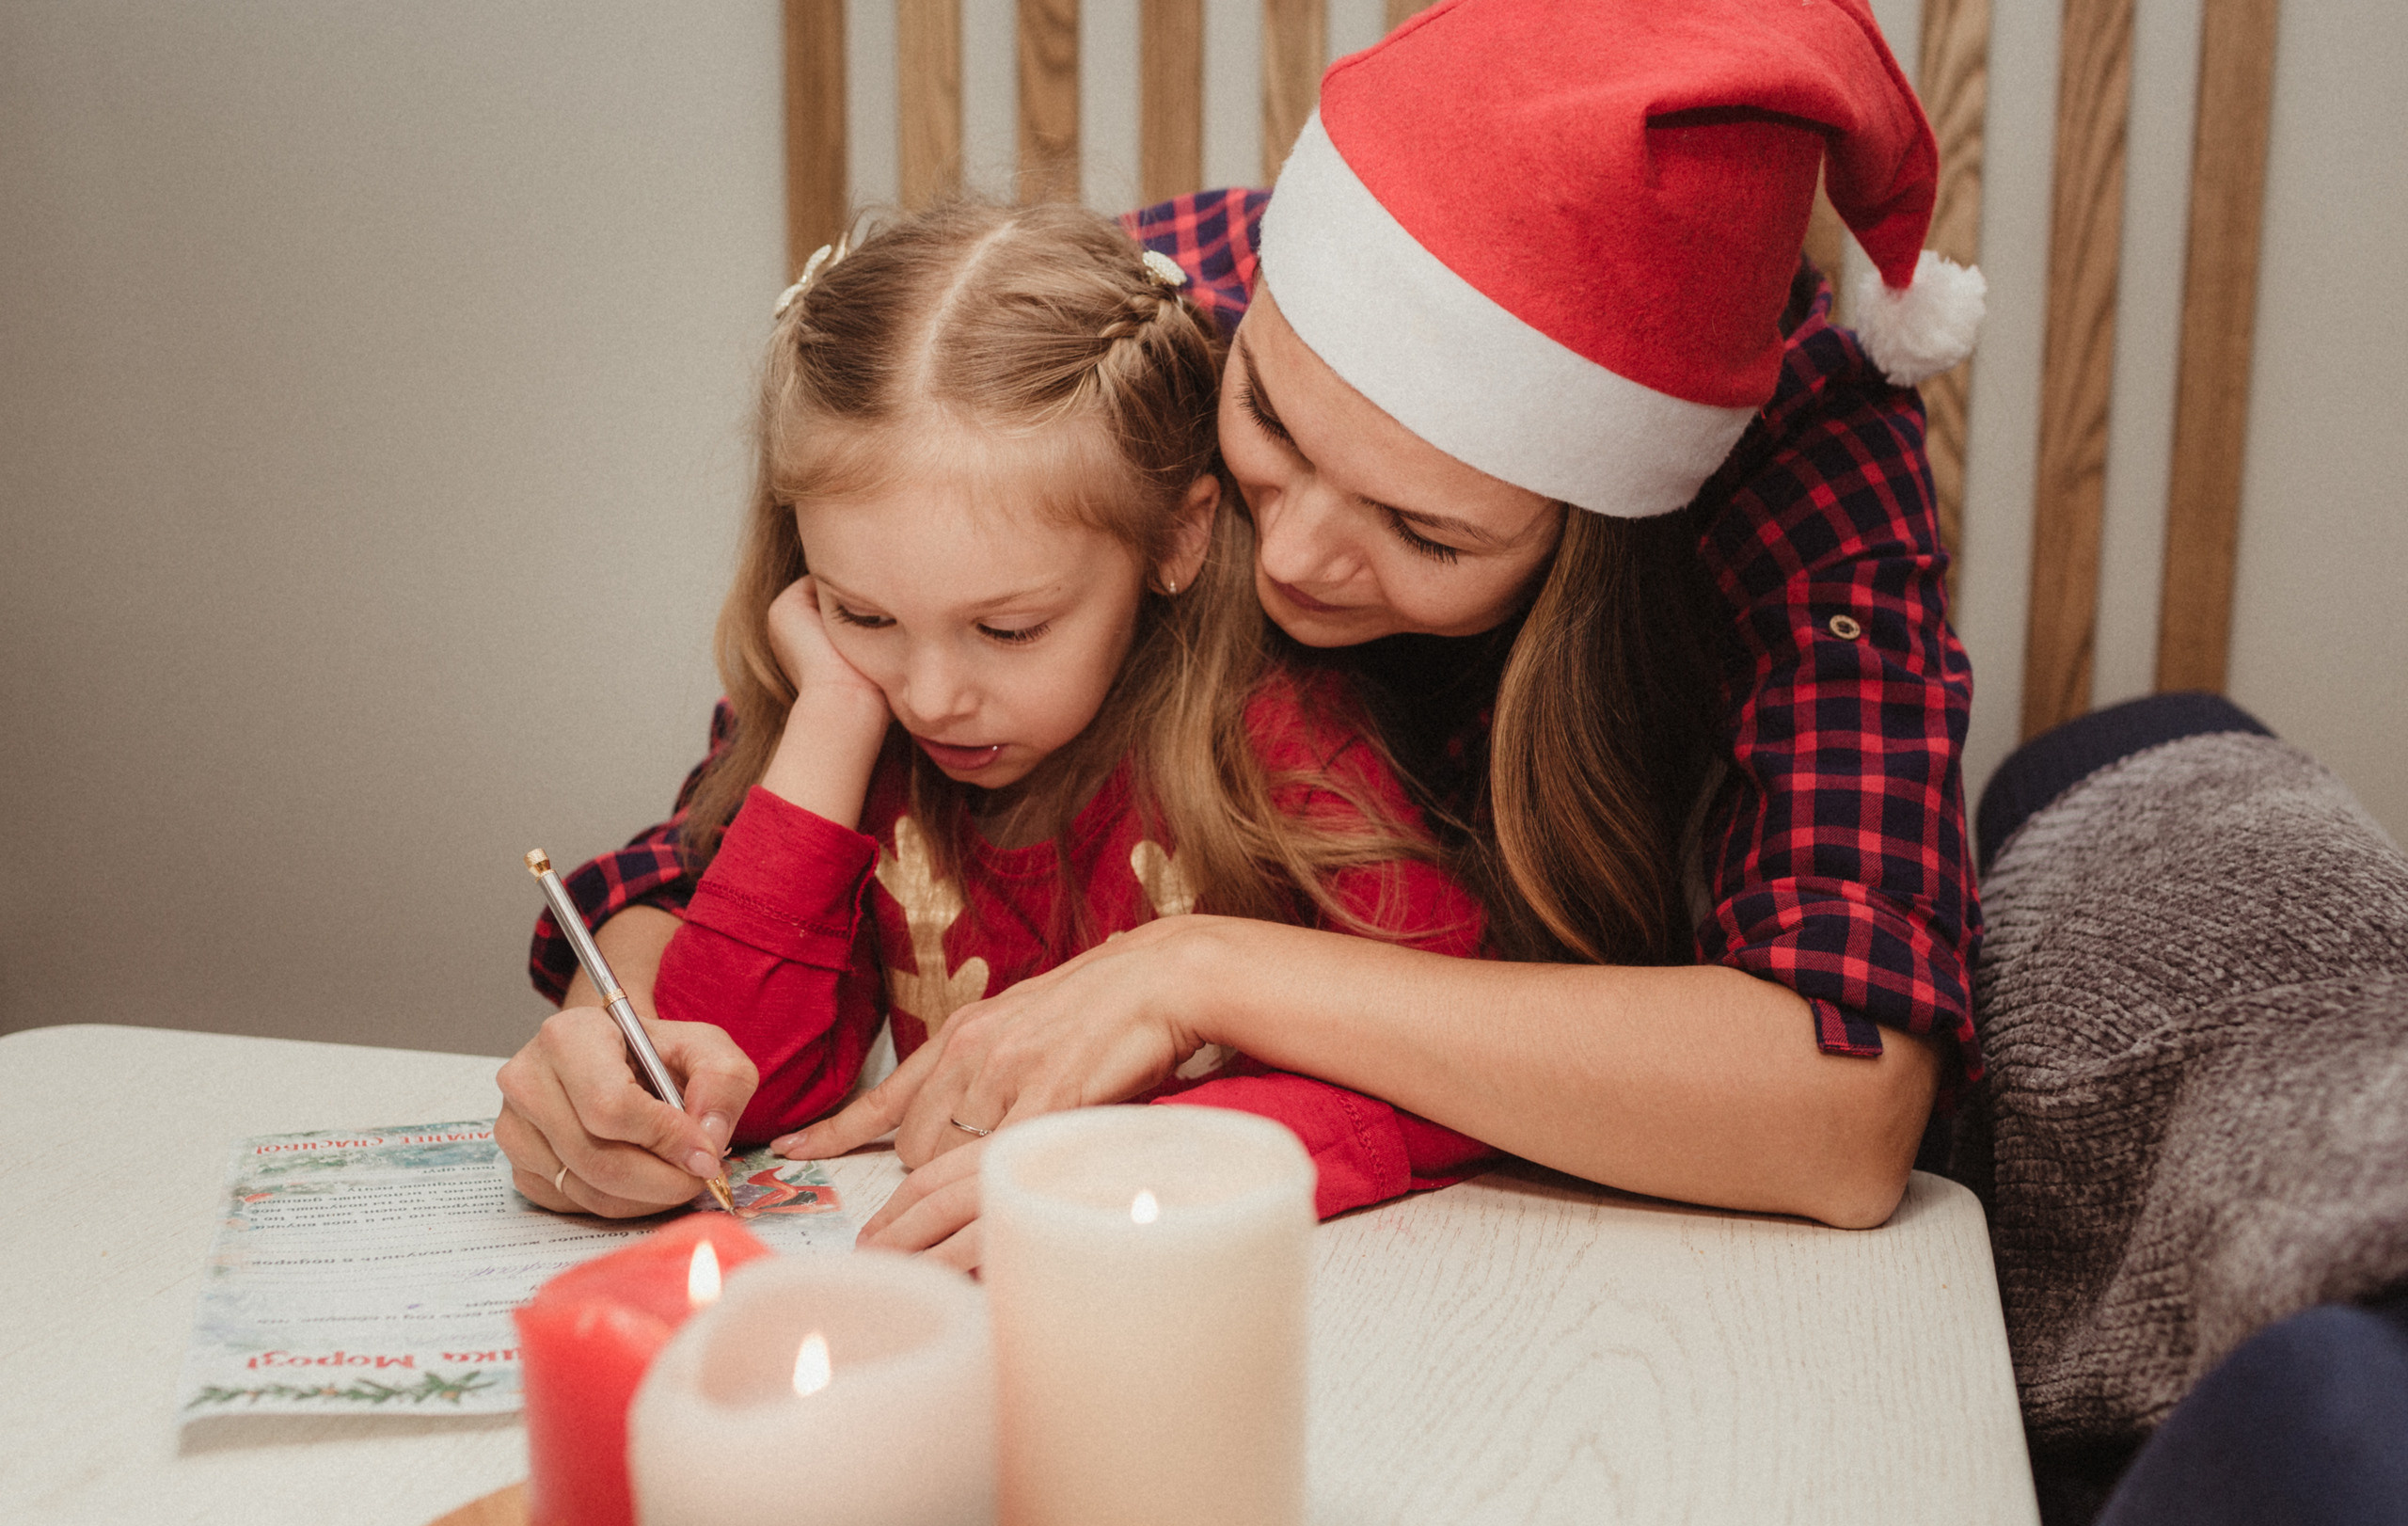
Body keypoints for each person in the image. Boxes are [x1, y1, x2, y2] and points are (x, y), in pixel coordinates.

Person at [500, 0, 1984, 1239]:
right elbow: (717, 836)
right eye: (1267, 419)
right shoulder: (1135, 326)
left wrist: (1199, 970)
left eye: (1426, 530)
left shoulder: (1795, 466)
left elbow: (1843, 1105)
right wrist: (614, 1052)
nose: (1292, 557)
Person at [499, 200, 1494, 1257]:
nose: (931, 696)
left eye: (1009, 630)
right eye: (862, 612)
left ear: (1177, 539)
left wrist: (1150, 1162)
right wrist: (833, 711)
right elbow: (727, 1091)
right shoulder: (866, 732)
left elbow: (1452, 1071)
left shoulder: (1287, 748)